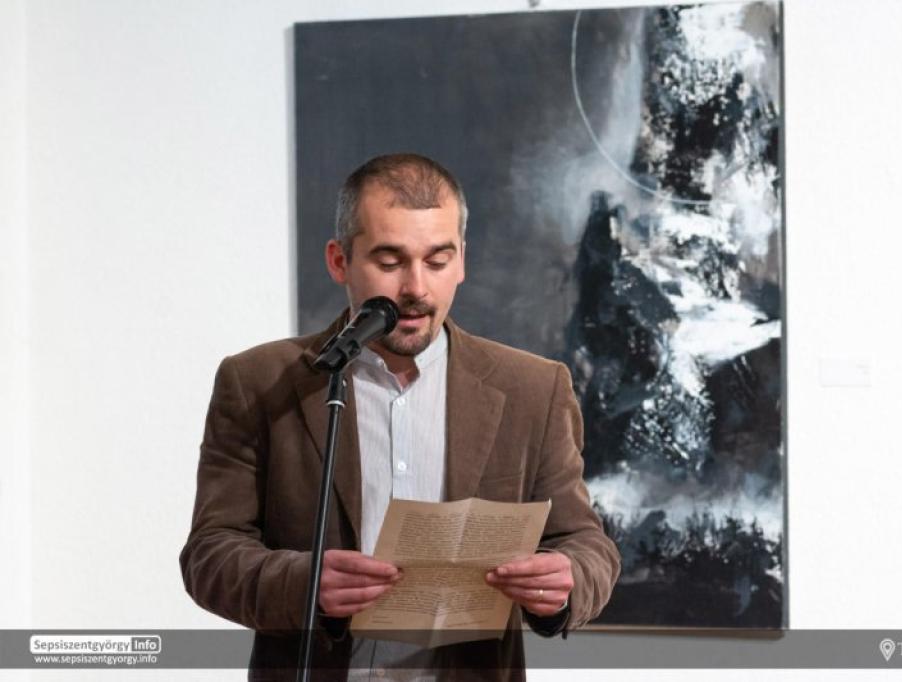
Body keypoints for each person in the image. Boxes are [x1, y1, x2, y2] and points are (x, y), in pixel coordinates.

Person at [180, 153, 620, 681]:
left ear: (462, 261)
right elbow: (209, 555)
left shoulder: (533, 389)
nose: (415, 288)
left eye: (437, 261)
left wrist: (565, 579)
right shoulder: (257, 382)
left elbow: (586, 545)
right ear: (339, 261)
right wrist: (304, 583)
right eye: (390, 262)